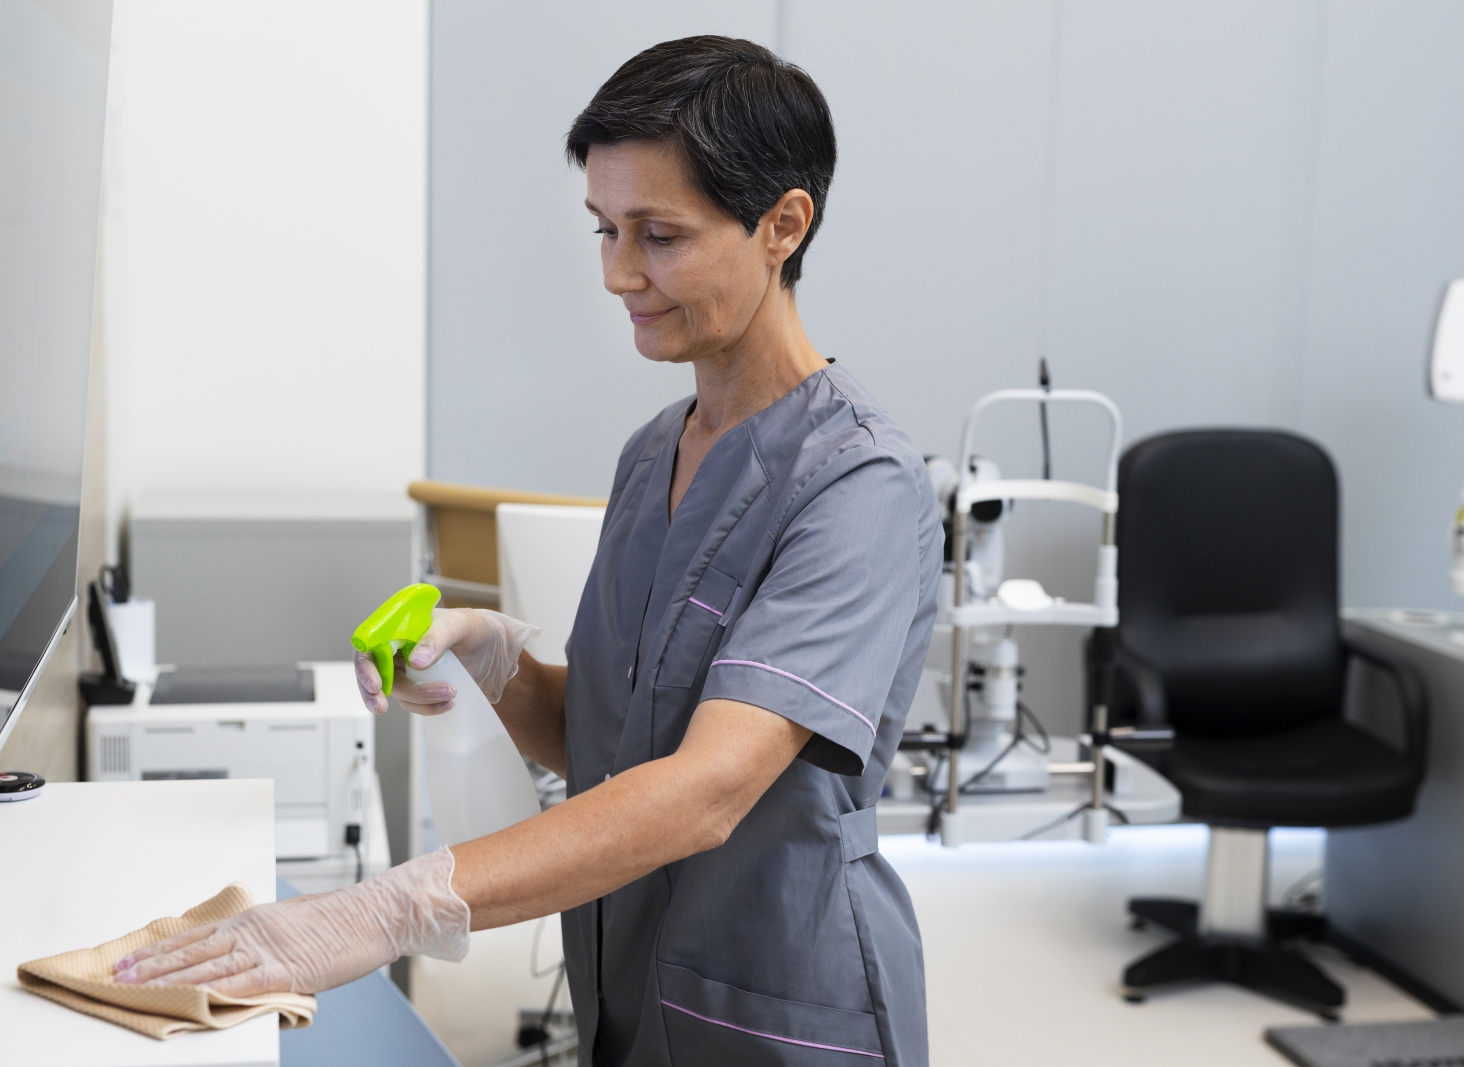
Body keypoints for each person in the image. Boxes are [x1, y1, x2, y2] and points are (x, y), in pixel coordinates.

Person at [114, 35, 941, 1066]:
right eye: (604, 229)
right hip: (627, 972)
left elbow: (706, 787)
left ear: (783, 224)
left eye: (659, 235)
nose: (618, 272)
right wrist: (493, 660)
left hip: (777, 992)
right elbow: (606, 746)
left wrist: (387, 906)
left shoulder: (859, 483)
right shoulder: (653, 454)